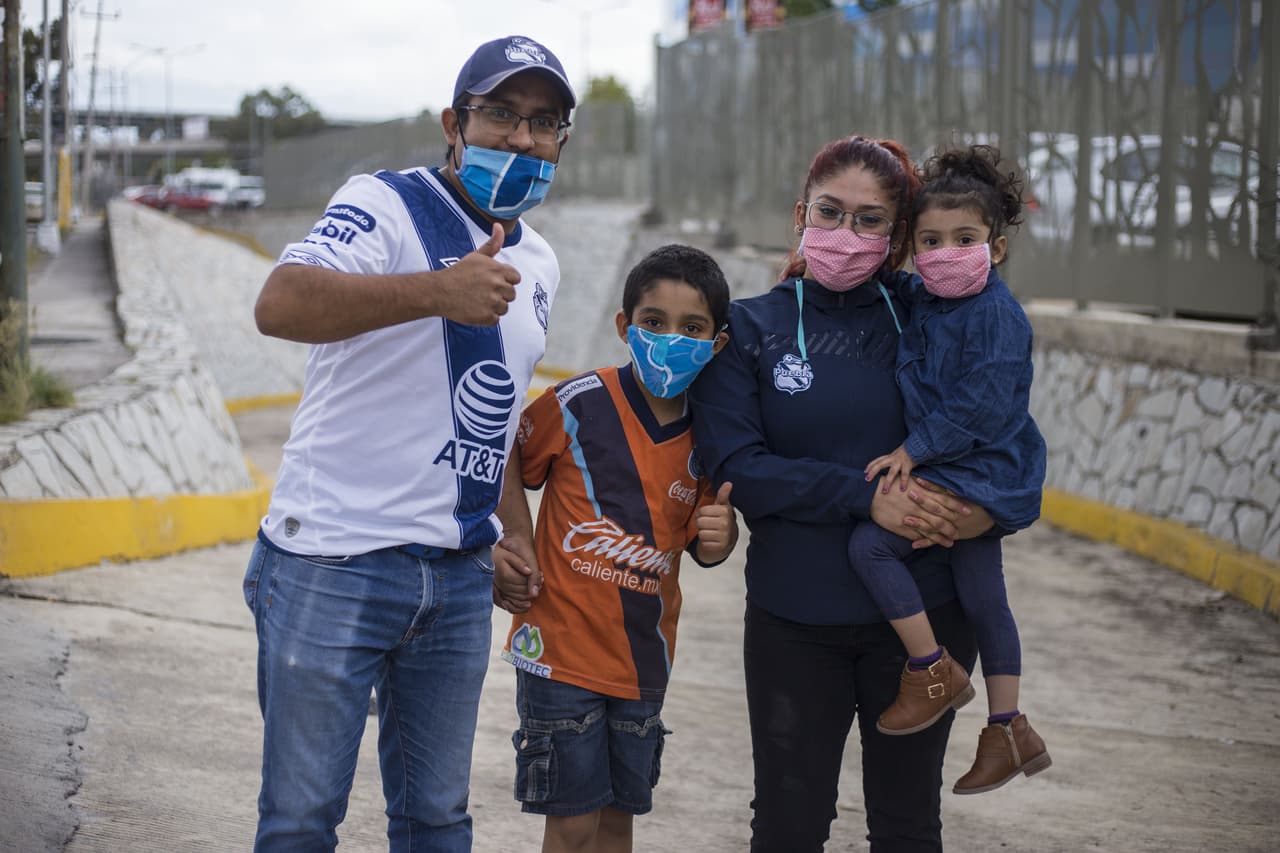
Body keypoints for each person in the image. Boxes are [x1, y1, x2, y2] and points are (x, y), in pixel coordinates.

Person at [243, 35, 575, 852]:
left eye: (545, 122)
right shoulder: (386, 203)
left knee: (437, 821)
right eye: (501, 114)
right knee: (300, 819)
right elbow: (279, 303)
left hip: (456, 579)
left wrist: (514, 532)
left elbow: (491, 414)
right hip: (334, 561)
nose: (522, 139)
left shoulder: (541, 263)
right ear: (454, 123)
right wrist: (440, 291)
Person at [687, 135, 995, 852]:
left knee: (907, 821)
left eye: (870, 220)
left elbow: (999, 424)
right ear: (801, 213)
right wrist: (865, 497)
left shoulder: (934, 320)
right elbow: (738, 466)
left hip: (927, 618)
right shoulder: (754, 329)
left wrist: (990, 508)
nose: (846, 234)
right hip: (795, 621)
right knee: (790, 825)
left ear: (896, 237)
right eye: (831, 212)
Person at [493, 244, 739, 853]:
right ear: (625, 326)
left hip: (644, 662)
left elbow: (705, 541)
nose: (671, 339)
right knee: (573, 822)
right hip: (561, 653)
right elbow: (501, 458)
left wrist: (722, 537)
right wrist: (513, 539)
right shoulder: (579, 403)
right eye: (654, 323)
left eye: (693, 328)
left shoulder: (712, 438)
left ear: (718, 342)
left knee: (615, 823)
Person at [849, 145, 1051, 795]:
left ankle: (932, 669)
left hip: (977, 468)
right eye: (930, 239)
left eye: (963, 238)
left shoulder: (996, 314)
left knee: (872, 543)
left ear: (994, 248)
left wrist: (915, 451)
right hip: (969, 469)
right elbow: (896, 284)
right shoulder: (932, 296)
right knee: (983, 593)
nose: (944, 252)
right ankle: (1009, 726)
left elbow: (984, 404)